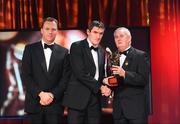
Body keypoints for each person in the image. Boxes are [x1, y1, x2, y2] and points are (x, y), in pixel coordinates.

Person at [22, 17, 70, 124]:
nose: (50, 32)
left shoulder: (64, 52)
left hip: (55, 106)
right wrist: (40, 94)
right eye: (47, 29)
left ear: (57, 31)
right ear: (41, 30)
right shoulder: (29, 49)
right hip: (34, 104)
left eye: (53, 29)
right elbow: (26, 75)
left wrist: (52, 95)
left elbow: (65, 79)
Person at [62, 20, 111, 124]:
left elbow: (100, 75)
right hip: (77, 100)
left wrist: (108, 85)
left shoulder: (102, 52)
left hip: (95, 101)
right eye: (95, 32)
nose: (98, 36)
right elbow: (80, 73)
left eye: (101, 33)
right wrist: (100, 87)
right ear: (88, 32)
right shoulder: (77, 46)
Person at [103, 27, 150, 124]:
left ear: (129, 38)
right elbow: (116, 81)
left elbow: (143, 80)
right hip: (118, 110)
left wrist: (125, 74)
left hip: (136, 110)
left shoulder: (140, 56)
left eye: (121, 36)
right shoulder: (113, 57)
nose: (118, 39)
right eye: (116, 37)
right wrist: (107, 85)